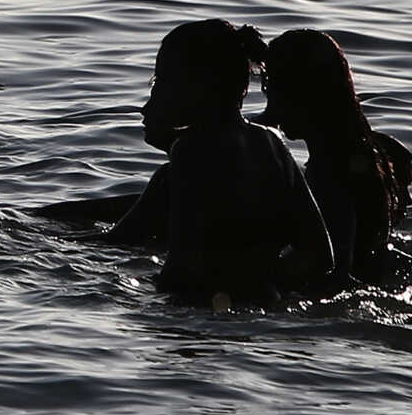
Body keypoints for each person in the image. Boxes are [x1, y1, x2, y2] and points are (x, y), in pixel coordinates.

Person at [108, 21, 333, 301]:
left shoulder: (189, 152)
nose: (154, 95)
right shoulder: (272, 144)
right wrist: (263, 282)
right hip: (266, 305)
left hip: (198, 314)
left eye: (161, 81)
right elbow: (321, 255)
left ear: (196, 85)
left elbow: (176, 262)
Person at [259, 28, 407, 281]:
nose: (268, 101)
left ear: (301, 95)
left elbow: (333, 265)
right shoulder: (381, 150)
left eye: (270, 88)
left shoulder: (326, 171)